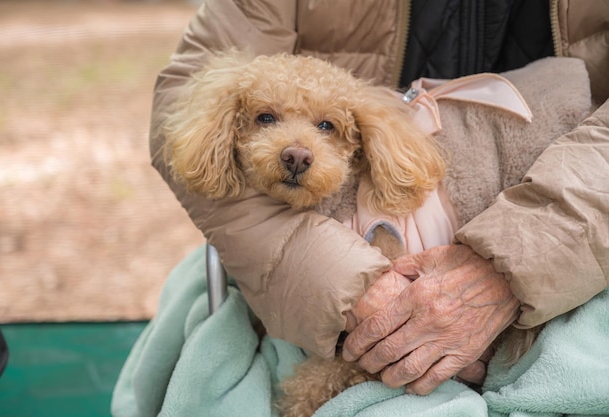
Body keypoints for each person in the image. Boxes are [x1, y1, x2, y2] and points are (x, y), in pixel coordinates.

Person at [149, 0, 609, 395]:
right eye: (265, 118)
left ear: (357, 138)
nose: (297, 151)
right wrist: (338, 278)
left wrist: (519, 264)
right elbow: (184, 86)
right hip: (275, 237)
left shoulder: (390, 158)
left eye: (326, 127)